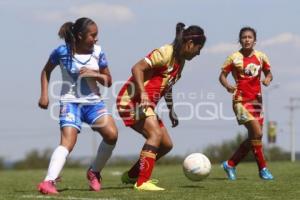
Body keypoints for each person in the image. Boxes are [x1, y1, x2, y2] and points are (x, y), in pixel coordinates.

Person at [116, 22, 206, 191]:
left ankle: (132, 175)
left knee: (166, 145)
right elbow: (137, 68)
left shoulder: (180, 62)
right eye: (198, 49)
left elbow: (167, 86)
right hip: (131, 100)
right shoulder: (165, 52)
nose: (198, 53)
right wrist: (142, 93)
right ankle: (142, 182)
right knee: (155, 134)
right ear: (190, 44)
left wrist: (171, 110)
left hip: (145, 104)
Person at [37, 17, 118, 194]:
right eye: (93, 35)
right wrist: (44, 94)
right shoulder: (61, 52)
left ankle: (94, 172)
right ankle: (48, 182)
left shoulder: (98, 52)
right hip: (70, 102)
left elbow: (109, 81)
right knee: (68, 142)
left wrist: (94, 74)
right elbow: (46, 71)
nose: (96, 39)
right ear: (80, 36)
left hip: (93, 103)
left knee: (112, 135)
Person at [219, 26, 274, 180]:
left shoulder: (261, 57)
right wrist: (227, 85)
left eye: (250, 37)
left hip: (257, 103)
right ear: (240, 40)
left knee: (254, 138)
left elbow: (269, 73)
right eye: (244, 37)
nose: (247, 40)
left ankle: (230, 164)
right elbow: (222, 76)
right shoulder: (233, 57)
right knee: (257, 133)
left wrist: (268, 79)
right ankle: (263, 170)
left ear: (254, 40)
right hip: (240, 101)